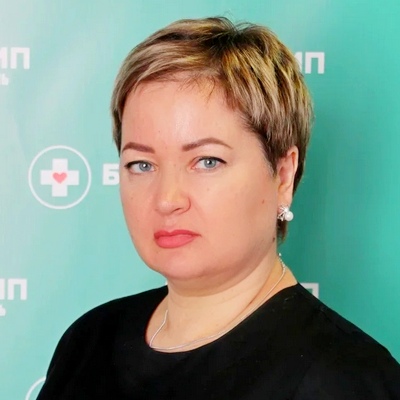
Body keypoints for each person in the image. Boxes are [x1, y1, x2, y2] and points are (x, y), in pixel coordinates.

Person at [37, 17, 400, 399]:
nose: (167, 199)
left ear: (282, 176)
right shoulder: (89, 340)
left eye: (207, 161)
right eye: (141, 164)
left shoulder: (346, 380)